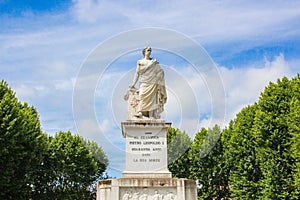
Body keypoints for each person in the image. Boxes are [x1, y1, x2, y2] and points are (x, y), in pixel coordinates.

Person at [129, 47, 167, 119]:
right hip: (144, 81)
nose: (149, 52)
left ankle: (151, 115)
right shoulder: (140, 62)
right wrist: (133, 84)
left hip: (152, 82)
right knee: (142, 95)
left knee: (152, 99)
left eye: (150, 50)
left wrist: (159, 77)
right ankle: (139, 112)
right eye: (148, 50)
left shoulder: (153, 62)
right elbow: (137, 73)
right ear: (144, 52)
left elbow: (160, 71)